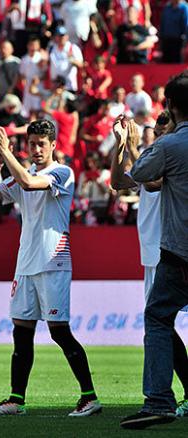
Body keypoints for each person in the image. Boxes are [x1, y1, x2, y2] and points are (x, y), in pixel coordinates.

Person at [0, 120, 101, 417]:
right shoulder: (26, 171)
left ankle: (90, 396)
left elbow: (27, 183)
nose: (35, 149)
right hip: (25, 265)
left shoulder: (61, 172)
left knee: (59, 331)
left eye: (40, 144)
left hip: (53, 262)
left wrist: (7, 153)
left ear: (53, 146)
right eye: (31, 143)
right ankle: (16, 399)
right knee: (21, 333)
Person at [120, 72, 188, 429]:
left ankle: (160, 400)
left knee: (158, 317)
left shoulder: (170, 145)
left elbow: (139, 172)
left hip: (179, 253)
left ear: (172, 107)